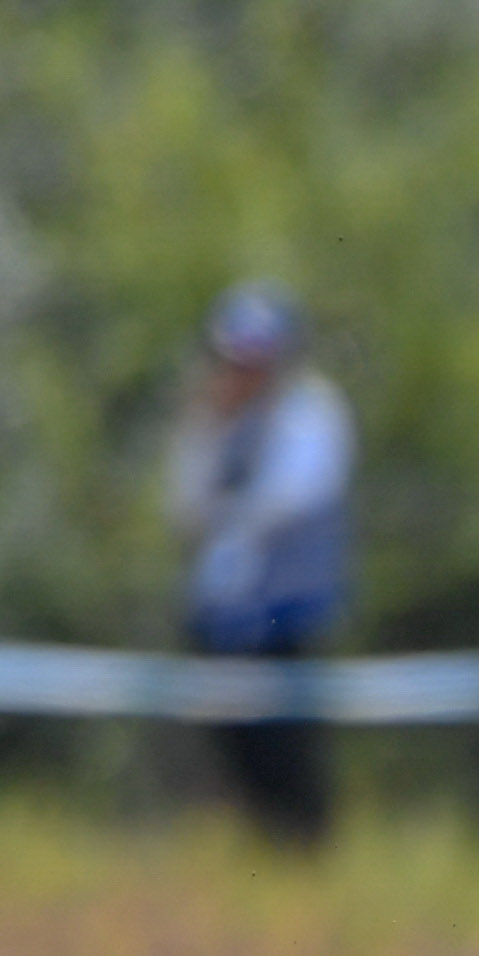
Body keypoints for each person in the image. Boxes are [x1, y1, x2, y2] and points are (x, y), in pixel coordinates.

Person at [159, 281, 353, 847]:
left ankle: (304, 846)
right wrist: (209, 428)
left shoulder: (313, 413)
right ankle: (262, 841)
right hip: (223, 611)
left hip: (288, 609)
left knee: (288, 738)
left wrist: (226, 510)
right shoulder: (210, 419)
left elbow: (290, 500)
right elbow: (184, 505)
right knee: (233, 736)